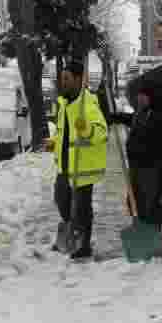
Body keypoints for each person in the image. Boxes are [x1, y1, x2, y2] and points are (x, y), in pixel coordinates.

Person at [44, 59, 109, 260]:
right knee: (61, 199)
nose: (63, 82)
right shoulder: (64, 104)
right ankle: (72, 234)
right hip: (65, 166)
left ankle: (83, 246)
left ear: (79, 79)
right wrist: (54, 142)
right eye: (62, 78)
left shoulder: (87, 103)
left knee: (81, 208)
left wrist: (87, 130)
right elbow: (64, 133)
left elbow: (102, 132)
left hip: (82, 167)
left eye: (67, 78)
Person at [107, 82, 162, 244]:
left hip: (151, 169)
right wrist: (117, 117)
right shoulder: (141, 113)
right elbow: (133, 120)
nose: (139, 98)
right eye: (139, 95)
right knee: (135, 203)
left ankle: (152, 238)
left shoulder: (160, 117)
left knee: (149, 205)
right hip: (137, 168)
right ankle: (142, 234)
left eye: (143, 95)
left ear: (151, 97)